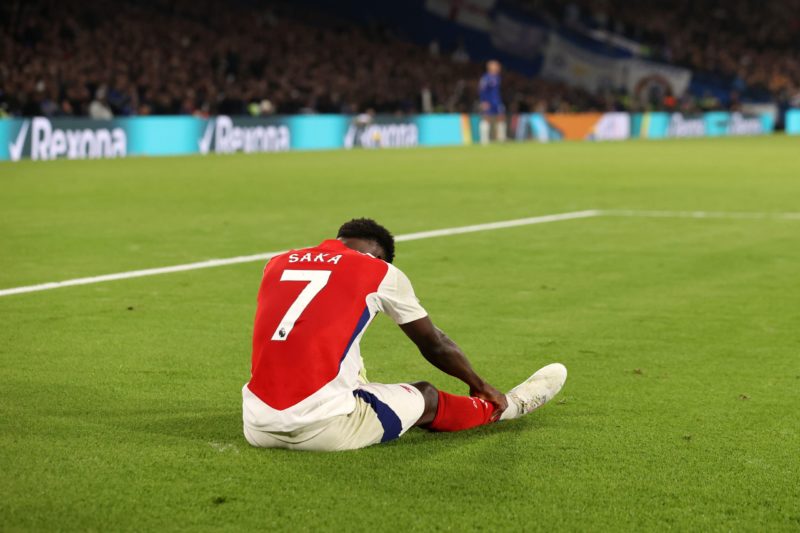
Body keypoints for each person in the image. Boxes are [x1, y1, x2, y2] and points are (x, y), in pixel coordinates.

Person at [242, 218, 567, 451]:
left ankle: (348, 392)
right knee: (426, 395)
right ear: (380, 256)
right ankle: (507, 408)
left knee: (336, 346)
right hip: (321, 430)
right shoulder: (379, 271)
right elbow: (434, 343)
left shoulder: (277, 262)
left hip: (255, 425)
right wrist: (480, 385)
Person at [479, 60, 507, 145]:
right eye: (496, 66)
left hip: (497, 101)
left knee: (501, 117)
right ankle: (484, 140)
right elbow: (482, 90)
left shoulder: (498, 77)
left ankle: (501, 138)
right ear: (490, 67)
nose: (498, 67)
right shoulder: (486, 78)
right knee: (487, 118)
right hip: (488, 102)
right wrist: (483, 102)